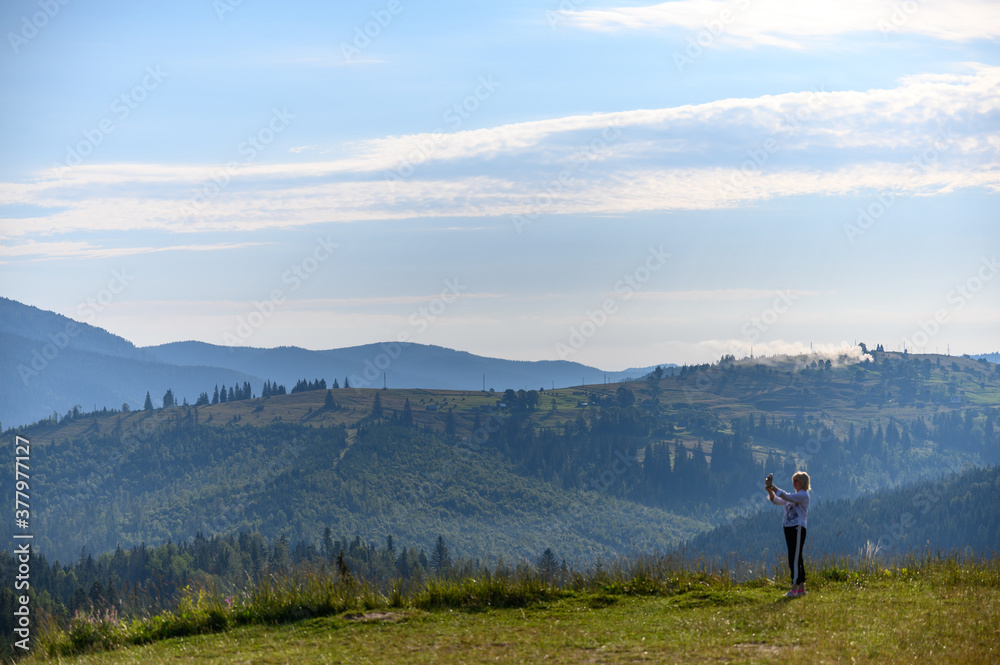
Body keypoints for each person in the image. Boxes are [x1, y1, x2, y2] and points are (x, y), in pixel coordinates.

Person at [766, 471, 810, 598]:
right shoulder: (794, 496)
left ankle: (794, 588)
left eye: (797, 480)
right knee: (797, 557)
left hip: (798, 528)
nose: (794, 482)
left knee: (794, 558)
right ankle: (801, 589)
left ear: (803, 483)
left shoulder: (803, 495)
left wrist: (773, 487)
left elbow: (787, 497)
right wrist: (770, 490)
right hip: (789, 528)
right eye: (794, 480)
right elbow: (776, 500)